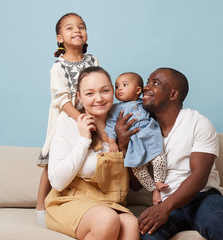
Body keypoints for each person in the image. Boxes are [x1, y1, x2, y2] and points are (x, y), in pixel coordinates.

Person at [115, 68, 223, 240]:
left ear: (173, 94)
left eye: (155, 83)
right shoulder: (141, 128)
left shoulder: (198, 123)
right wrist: (124, 146)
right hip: (163, 202)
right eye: (147, 82)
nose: (146, 87)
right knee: (147, 235)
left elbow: (199, 175)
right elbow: (136, 186)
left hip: (203, 197)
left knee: (221, 227)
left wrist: (165, 208)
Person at [45, 66, 139, 240]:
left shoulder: (123, 125)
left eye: (105, 91)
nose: (99, 99)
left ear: (113, 90)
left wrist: (124, 146)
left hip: (109, 203)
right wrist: (84, 140)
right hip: (69, 201)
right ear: (79, 97)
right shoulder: (69, 126)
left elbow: (136, 184)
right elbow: (57, 182)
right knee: (107, 219)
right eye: (89, 94)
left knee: (131, 225)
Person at [36, 12, 100, 225]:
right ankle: (40, 207)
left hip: (90, 117)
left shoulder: (93, 60)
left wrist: (93, 118)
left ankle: (83, 201)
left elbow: (97, 86)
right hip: (66, 119)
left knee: (88, 156)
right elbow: (62, 100)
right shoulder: (58, 67)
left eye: (81, 27)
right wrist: (80, 119)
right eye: (70, 28)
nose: (77, 31)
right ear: (59, 38)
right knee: (53, 160)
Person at [105, 72, 168, 205]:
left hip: (150, 139)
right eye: (117, 86)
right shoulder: (116, 108)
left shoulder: (145, 103)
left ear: (138, 90)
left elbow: (158, 113)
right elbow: (110, 124)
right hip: (134, 144)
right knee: (138, 169)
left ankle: (158, 182)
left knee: (160, 159)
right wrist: (112, 141)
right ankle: (153, 190)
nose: (119, 89)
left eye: (124, 85)